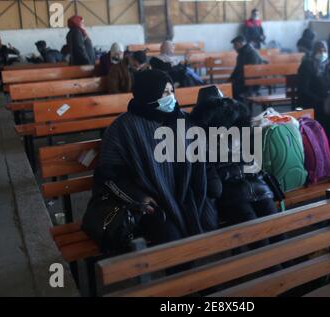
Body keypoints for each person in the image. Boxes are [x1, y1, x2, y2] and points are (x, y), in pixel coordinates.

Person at [87, 69, 218, 249]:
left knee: (211, 221)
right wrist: (139, 197)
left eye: (172, 91)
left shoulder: (183, 120)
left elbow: (201, 155)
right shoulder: (123, 128)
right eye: (165, 92)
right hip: (151, 205)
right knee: (173, 242)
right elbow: (111, 175)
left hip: (187, 197)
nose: (171, 97)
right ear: (148, 93)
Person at [189, 87, 283, 251]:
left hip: (258, 188)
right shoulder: (200, 141)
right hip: (232, 196)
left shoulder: (239, 131)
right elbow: (212, 176)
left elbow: (253, 163)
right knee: (258, 237)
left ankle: (289, 267)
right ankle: (273, 270)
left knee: (277, 229)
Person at [297, 41, 330, 127]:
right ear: (314, 51)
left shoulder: (327, 65)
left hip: (324, 99)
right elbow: (303, 89)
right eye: (319, 51)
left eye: (325, 51)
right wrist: (320, 100)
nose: (322, 53)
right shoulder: (307, 65)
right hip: (311, 100)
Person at [229, 35, 264, 100]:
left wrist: (234, 80)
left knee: (231, 89)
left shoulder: (249, 53)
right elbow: (238, 69)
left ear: (241, 44)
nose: (234, 47)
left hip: (251, 83)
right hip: (246, 80)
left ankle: (240, 107)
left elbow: (251, 72)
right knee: (229, 87)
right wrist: (231, 79)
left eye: (235, 45)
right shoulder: (244, 52)